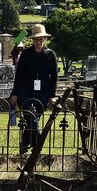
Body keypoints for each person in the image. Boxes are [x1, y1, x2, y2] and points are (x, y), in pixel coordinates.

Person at [8, 23, 58, 153]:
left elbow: (54, 76)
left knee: (34, 118)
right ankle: (37, 146)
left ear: (45, 39)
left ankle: (25, 145)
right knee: (30, 116)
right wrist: (15, 93)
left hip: (43, 92)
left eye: (41, 39)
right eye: (36, 40)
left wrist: (52, 95)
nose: (38, 42)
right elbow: (19, 75)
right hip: (26, 90)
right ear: (32, 40)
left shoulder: (50, 55)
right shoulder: (26, 54)